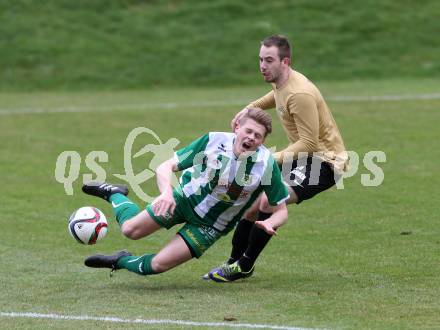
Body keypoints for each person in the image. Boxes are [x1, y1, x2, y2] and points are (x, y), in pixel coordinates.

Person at [204, 34, 348, 282]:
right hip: (303, 155)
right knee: (249, 204)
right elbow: (276, 96)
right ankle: (233, 263)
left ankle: (245, 265)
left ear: (285, 61)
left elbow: (310, 143)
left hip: (324, 162)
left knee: (267, 203)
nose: (262, 66)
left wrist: (271, 159)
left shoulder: (300, 94)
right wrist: (250, 109)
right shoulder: (282, 82)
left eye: (268, 60)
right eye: (260, 59)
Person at [82, 108, 289, 278]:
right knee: (130, 230)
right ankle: (114, 193)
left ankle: (120, 260)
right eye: (249, 131)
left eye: (258, 136)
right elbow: (165, 166)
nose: (251, 138)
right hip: (182, 199)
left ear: (262, 141)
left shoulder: (266, 166)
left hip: (211, 226)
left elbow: (281, 211)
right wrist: (167, 194)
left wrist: (270, 223)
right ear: (237, 128)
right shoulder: (213, 141)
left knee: (158, 265)